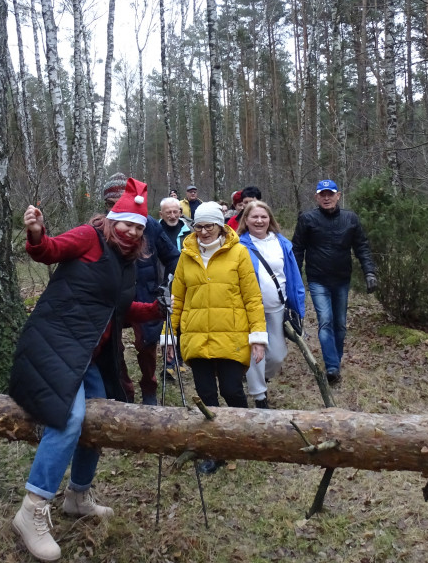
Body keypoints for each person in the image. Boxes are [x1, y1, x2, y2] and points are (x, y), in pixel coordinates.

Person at [8, 179, 166, 562]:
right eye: (126, 223)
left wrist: (158, 309)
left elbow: (120, 310)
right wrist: (35, 232)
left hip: (90, 354)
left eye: (138, 226)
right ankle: (33, 507)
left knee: (99, 416)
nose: (131, 231)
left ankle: (78, 495)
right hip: (54, 342)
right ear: (112, 219)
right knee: (70, 417)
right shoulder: (89, 238)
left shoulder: (128, 261)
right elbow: (48, 250)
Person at [164, 202, 267, 473]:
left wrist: (257, 336)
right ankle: (215, 450)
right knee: (206, 395)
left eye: (209, 226)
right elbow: (176, 301)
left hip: (232, 335)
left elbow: (253, 298)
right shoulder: (185, 256)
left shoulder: (239, 253)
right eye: (198, 226)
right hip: (196, 337)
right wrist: (169, 338)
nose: (204, 232)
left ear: (220, 226)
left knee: (232, 390)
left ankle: (243, 438)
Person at [102, 173, 179, 406]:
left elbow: (173, 257)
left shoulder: (150, 226)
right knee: (112, 347)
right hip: (112, 298)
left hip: (145, 295)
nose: (114, 206)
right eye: (110, 203)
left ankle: (149, 388)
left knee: (146, 345)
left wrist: (166, 285)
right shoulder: (100, 228)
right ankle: (124, 391)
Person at [291, 179, 378, 386]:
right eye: (323, 194)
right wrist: (294, 278)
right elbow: (297, 249)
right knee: (326, 321)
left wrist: (370, 272)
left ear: (338, 195)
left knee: (339, 323)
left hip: (341, 279)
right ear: (317, 197)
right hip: (317, 278)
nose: (327, 198)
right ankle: (331, 366)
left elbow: (362, 246)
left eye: (331, 194)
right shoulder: (307, 219)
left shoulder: (350, 218)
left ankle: (335, 360)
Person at [237, 200, 305, 408]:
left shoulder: (282, 244)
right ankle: (260, 397)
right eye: (254, 217)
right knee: (255, 353)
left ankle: (258, 379)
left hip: (277, 308)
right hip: (249, 310)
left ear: (270, 219)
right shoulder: (238, 246)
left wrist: (298, 307)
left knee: (276, 355)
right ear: (246, 220)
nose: (259, 221)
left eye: (263, 217)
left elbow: (293, 277)